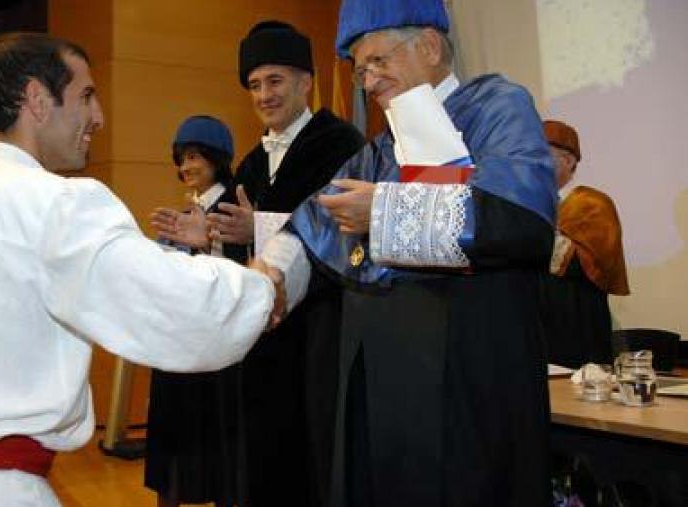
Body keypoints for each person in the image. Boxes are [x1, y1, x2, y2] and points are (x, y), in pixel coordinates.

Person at [0, 32, 276, 507]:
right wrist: (265, 285)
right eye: (85, 96)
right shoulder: (52, 203)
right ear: (38, 100)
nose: (98, 117)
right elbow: (177, 306)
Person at [253, 1, 559, 505]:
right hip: (383, 392)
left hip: (471, 383)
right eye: (359, 69)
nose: (368, 82)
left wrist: (386, 212)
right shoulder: (378, 151)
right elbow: (313, 223)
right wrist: (269, 276)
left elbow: (520, 219)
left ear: (430, 46)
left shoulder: (497, 107)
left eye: (377, 60)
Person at [212, 20, 364, 507]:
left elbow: (338, 227)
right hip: (262, 336)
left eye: (274, 81)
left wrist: (257, 227)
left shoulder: (341, 144)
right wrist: (212, 235)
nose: (263, 95)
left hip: (322, 331)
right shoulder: (252, 161)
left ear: (305, 81)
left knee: (315, 454)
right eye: (254, 85)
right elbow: (240, 246)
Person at [144, 115, 245, 507]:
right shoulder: (185, 212)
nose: (185, 167)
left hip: (214, 349)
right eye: (180, 159)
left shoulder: (234, 207)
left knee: (216, 450)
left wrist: (206, 245)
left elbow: (241, 272)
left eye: (194, 157)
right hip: (176, 344)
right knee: (173, 445)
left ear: (216, 158)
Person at [539, 119, 630, 368]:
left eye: (542, 153)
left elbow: (593, 265)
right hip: (536, 330)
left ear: (568, 160)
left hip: (577, 329)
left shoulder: (593, 204)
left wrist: (531, 234)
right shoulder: (533, 203)